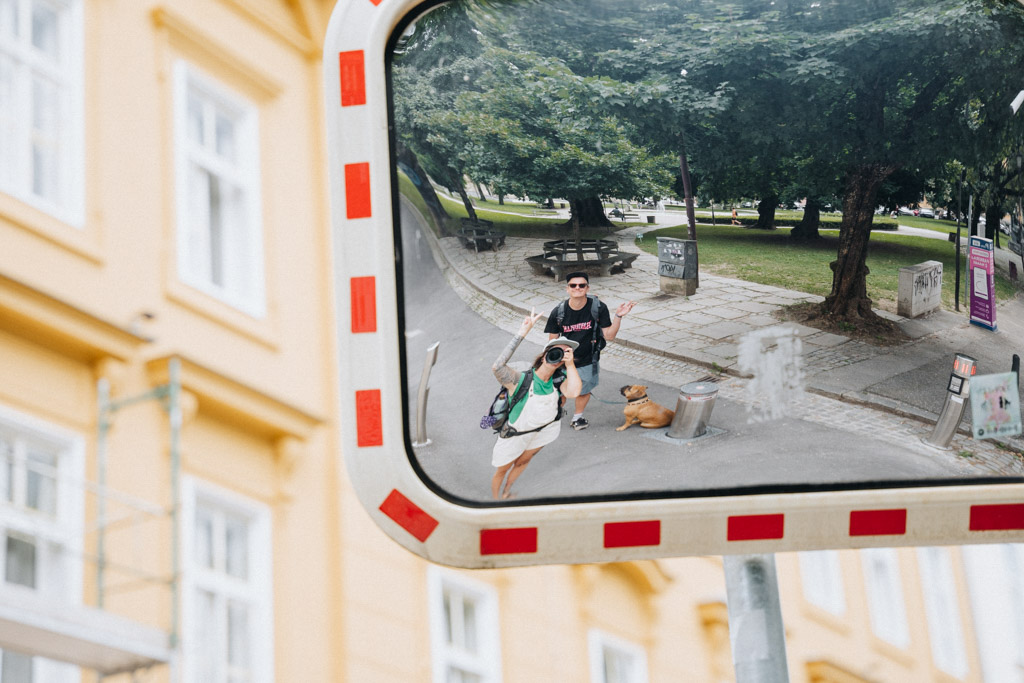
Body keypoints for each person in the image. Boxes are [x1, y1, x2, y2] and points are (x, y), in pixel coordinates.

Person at [491, 309, 582, 500]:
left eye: (566, 352)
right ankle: (496, 500)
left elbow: (574, 392)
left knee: (523, 462)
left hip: (543, 431)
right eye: (556, 351)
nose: (560, 355)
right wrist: (522, 333)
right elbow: (497, 367)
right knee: (503, 468)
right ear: (544, 355)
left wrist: (571, 365)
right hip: (515, 434)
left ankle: (507, 491)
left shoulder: (560, 380)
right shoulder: (520, 380)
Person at [544, 272, 636, 431]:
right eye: (573, 285)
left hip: (588, 360)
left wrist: (618, 316)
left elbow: (609, 335)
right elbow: (552, 343)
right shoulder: (558, 312)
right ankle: (555, 414)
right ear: (567, 289)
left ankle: (577, 417)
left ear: (587, 288)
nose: (577, 288)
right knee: (561, 392)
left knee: (583, 391)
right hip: (564, 362)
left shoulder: (598, 307)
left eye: (581, 285)